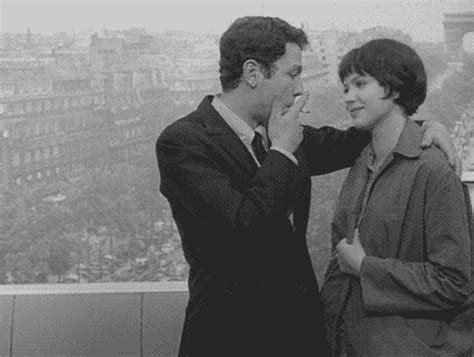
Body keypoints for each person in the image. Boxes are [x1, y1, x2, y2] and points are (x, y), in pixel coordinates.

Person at [156, 17, 457, 356]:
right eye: (292, 73)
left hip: (300, 332)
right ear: (253, 73)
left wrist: (424, 125)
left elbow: (351, 141)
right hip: (229, 336)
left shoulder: (279, 132)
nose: (299, 88)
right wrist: (282, 151)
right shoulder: (183, 142)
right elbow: (244, 228)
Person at [320, 38, 473, 356]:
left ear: (395, 88)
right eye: (345, 88)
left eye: (360, 84)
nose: (347, 97)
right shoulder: (363, 161)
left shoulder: (433, 170)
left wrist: (365, 267)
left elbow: (454, 281)